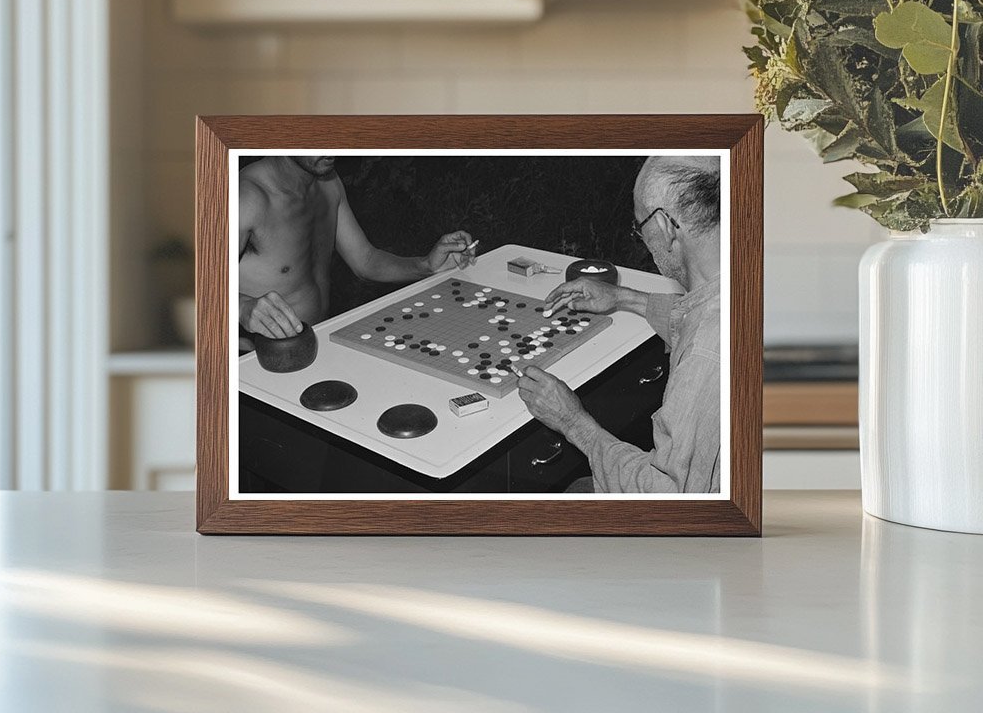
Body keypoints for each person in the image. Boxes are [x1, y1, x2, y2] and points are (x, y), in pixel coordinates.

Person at [516, 156, 721, 493]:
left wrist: (573, 422)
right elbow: (699, 315)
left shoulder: (704, 356)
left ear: (667, 227)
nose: (642, 239)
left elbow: (664, 496)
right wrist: (625, 298)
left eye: (640, 227)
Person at [239, 156, 477, 349]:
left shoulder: (328, 182)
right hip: (255, 361)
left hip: (320, 344)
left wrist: (426, 266)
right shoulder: (247, 197)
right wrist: (242, 307)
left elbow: (366, 261)